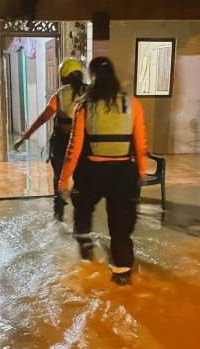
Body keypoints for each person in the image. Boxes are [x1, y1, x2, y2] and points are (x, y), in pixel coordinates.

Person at [59, 56, 148, 286]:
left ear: (93, 77)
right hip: (123, 173)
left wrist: (65, 177)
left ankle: (86, 257)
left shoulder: (84, 104)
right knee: (121, 225)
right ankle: (122, 272)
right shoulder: (132, 104)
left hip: (92, 173)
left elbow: (74, 147)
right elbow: (141, 143)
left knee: (82, 215)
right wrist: (142, 171)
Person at [14, 57, 87, 221]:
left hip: (62, 143)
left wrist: (25, 136)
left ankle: (59, 215)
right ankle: (81, 219)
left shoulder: (59, 95)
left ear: (63, 75)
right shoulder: (90, 93)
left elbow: (43, 118)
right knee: (81, 180)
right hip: (84, 144)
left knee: (59, 179)